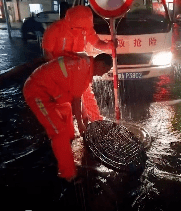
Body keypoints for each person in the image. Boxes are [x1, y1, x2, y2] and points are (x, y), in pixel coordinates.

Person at [23, 53, 113, 181]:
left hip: (54, 92)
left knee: (66, 109)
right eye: (105, 70)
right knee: (59, 131)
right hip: (38, 92)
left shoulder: (85, 64)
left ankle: (69, 141)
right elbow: (76, 100)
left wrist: (85, 116)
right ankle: (68, 173)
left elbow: (78, 94)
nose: (103, 74)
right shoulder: (82, 69)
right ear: (99, 64)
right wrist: (81, 123)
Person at [41, 5, 116, 122]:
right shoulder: (55, 29)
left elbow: (96, 42)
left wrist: (108, 45)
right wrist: (56, 75)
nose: (81, 32)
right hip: (61, 72)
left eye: (83, 29)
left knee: (87, 96)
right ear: (70, 22)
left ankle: (96, 121)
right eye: (78, 29)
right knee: (66, 103)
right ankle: (73, 124)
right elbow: (47, 53)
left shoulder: (86, 30)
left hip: (79, 69)